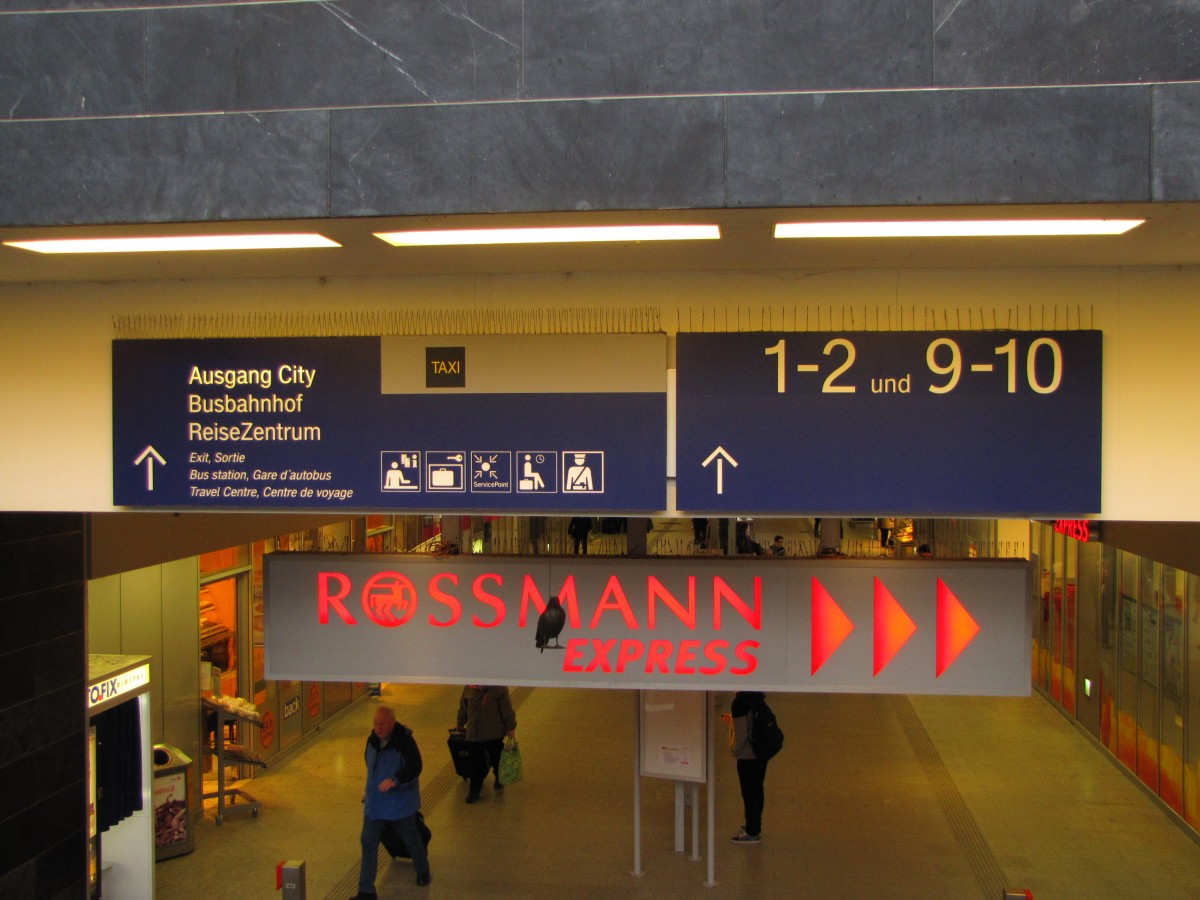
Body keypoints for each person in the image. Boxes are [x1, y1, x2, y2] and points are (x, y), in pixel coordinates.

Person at [353, 706, 430, 896]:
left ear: (392, 723)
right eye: (376, 724)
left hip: (400, 806)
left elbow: (415, 766)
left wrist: (395, 780)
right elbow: (371, 769)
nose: (378, 728)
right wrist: (369, 790)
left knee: (411, 838)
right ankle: (366, 891)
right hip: (375, 806)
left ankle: (422, 869)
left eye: (382, 724)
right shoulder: (372, 741)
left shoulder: (404, 741)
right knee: (368, 843)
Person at [456, 685, 517, 803]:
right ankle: (474, 790)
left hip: (494, 732)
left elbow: (506, 708)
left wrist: (510, 726)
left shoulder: (499, 688)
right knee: (475, 763)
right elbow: (463, 706)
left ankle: (499, 777)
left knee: (496, 757)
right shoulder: (469, 687)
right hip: (474, 733)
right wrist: (460, 722)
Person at [728, 690, 770, 844]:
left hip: (747, 755)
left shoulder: (740, 704)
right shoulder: (758, 698)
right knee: (757, 789)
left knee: (749, 793)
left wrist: (734, 750)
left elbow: (740, 735)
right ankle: (754, 825)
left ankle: (752, 832)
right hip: (760, 752)